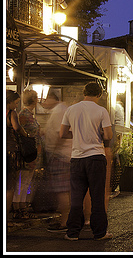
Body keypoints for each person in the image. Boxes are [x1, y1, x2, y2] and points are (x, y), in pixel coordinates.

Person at [60, 82, 113, 241]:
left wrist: (76, 136)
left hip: (77, 158)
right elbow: (108, 136)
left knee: (76, 197)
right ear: (99, 95)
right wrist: (98, 136)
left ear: (84, 93)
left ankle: (73, 232)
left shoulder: (71, 109)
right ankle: (100, 233)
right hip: (96, 157)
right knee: (97, 196)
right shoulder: (101, 111)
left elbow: (62, 133)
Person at [43, 90, 73, 232]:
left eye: (44, 98)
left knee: (62, 190)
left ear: (51, 98)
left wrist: (53, 152)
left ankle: (65, 222)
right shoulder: (64, 109)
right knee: (66, 190)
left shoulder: (58, 111)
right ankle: (68, 219)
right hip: (67, 155)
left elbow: (58, 135)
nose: (42, 102)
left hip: (61, 155)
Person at [14, 89, 42, 220]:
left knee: (25, 181)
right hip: (28, 153)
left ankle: (22, 206)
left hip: (30, 152)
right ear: (35, 100)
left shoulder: (26, 114)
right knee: (23, 181)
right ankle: (20, 207)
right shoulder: (24, 115)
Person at [6, 90, 29, 226]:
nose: (16, 105)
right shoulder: (11, 113)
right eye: (15, 103)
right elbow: (17, 127)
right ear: (9, 101)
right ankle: (6, 219)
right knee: (9, 187)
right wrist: (25, 134)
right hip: (10, 152)